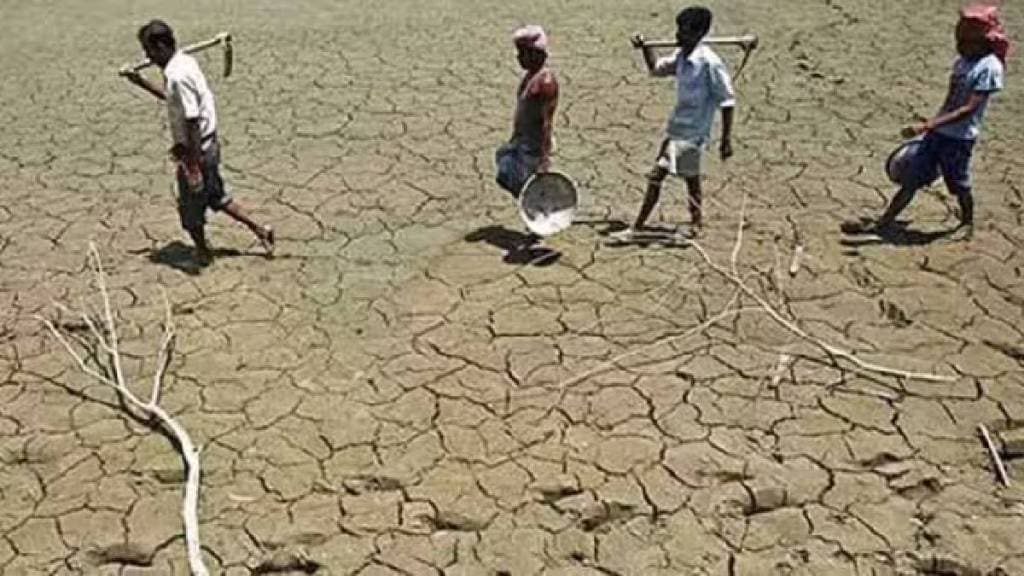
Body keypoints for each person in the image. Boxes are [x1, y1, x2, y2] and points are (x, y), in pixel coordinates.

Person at [120, 20, 274, 265]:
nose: (146, 55)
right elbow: (173, 101)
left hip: (197, 150)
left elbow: (192, 119)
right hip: (207, 145)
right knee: (216, 196)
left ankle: (202, 253)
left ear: (160, 46)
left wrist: (191, 165)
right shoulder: (184, 62)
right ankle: (261, 230)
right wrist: (140, 82)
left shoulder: (178, 75)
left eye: (148, 50)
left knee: (190, 209)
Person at [852, 3, 1008, 240]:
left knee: (958, 184)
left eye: (966, 41)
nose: (961, 46)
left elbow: (968, 110)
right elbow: (950, 101)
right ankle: (884, 222)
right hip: (938, 133)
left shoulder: (990, 68)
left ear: (983, 41)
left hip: (959, 139)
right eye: (959, 40)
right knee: (912, 179)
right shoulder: (962, 63)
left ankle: (967, 222)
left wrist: (927, 125)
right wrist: (934, 126)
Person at [618, 5, 735, 239]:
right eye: (678, 30)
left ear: (700, 32)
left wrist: (726, 140)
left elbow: (727, 101)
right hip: (676, 129)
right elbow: (656, 69)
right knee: (664, 177)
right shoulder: (681, 57)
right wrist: (645, 48)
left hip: (693, 133)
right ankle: (654, 225)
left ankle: (687, 224)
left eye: (684, 31)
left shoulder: (709, 64)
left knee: (681, 179)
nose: (678, 35)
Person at [495, 25, 559, 199]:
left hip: (534, 148)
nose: (519, 58)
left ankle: (540, 213)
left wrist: (544, 160)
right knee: (504, 164)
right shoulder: (531, 76)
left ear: (536, 53)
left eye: (523, 53)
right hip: (522, 141)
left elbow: (547, 123)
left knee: (531, 187)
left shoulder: (545, 83)